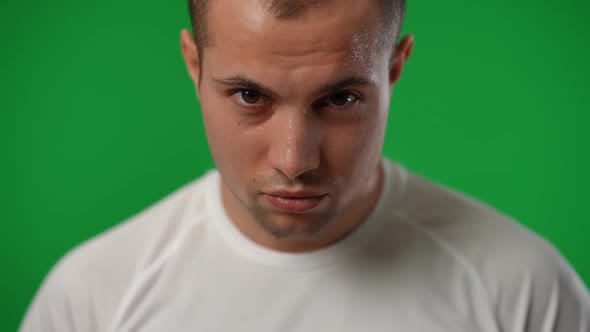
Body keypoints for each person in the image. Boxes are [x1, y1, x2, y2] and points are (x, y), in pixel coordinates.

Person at [20, 0, 590, 331]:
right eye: (249, 96)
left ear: (394, 68)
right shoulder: (91, 299)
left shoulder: (524, 290)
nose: (295, 161)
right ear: (194, 65)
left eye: (341, 99)